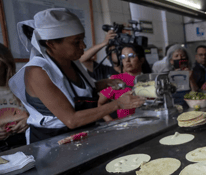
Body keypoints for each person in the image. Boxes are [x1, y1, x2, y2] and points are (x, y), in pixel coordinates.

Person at [9, 8, 145, 144]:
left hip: (83, 134)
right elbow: (71, 120)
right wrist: (118, 104)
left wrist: (105, 83)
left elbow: (72, 93)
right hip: (53, 142)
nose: (83, 46)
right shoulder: (37, 71)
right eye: (76, 42)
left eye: (82, 39)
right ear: (51, 44)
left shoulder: (71, 62)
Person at [98, 43, 146, 121]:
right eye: (123, 57)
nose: (127, 61)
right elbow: (99, 103)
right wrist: (111, 121)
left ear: (141, 59)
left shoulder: (150, 79)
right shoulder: (116, 80)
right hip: (126, 126)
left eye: (131, 56)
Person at [0, 44, 28, 151]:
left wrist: (28, 121)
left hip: (25, 141)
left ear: (5, 63)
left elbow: (40, 114)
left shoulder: (23, 84)